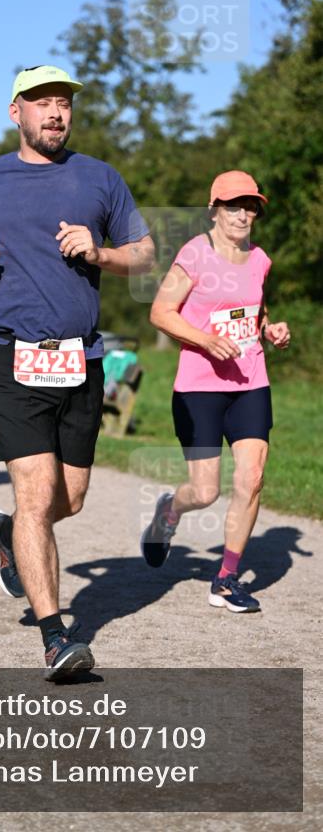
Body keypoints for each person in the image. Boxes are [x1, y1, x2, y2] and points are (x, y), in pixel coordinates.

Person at [0, 65, 154, 678]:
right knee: (35, 494)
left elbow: (145, 252)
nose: (55, 113)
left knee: (70, 499)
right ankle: (57, 636)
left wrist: (101, 251)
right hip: (10, 356)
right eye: (42, 103)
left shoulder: (100, 178)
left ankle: (10, 538)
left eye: (63, 104)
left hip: (81, 357)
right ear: (16, 114)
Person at [142, 170, 290, 613]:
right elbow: (161, 312)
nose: (244, 214)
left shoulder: (260, 259)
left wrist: (271, 330)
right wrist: (205, 340)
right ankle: (170, 511)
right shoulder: (195, 254)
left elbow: (255, 313)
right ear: (215, 209)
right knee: (205, 492)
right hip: (200, 387)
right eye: (234, 205)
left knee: (252, 477)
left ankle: (226, 579)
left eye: (250, 206)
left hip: (250, 382)